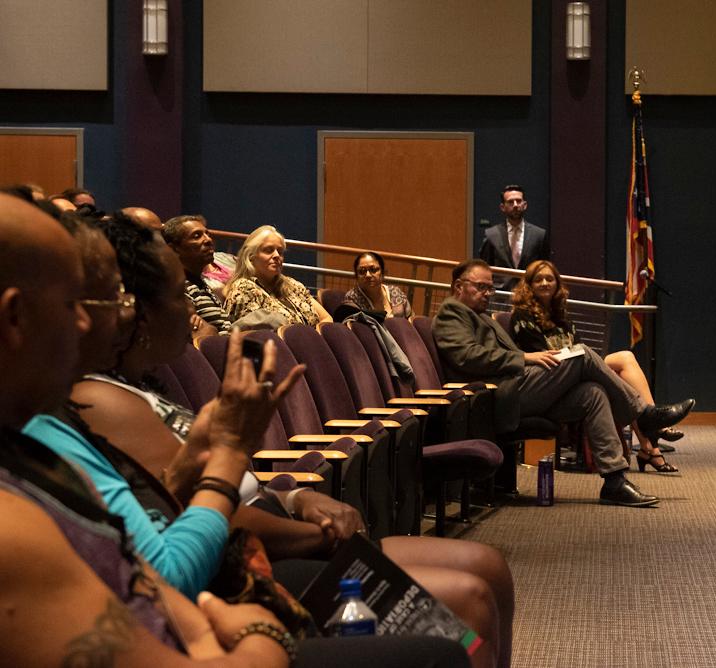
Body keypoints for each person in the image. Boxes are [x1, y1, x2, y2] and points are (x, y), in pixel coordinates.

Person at [70, 218, 512, 667]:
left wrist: (296, 495)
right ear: (137, 312)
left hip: (272, 521)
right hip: (248, 566)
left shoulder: (142, 385)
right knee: (470, 600)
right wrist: (312, 535)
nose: (192, 310)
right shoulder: (105, 401)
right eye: (177, 295)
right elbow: (193, 517)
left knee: (488, 568)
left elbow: (215, 486)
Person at [0, 193, 296, 667]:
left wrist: (190, 462)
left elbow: (141, 570)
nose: (90, 321)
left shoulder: (31, 445)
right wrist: (265, 635)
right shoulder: (15, 505)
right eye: (76, 301)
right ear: (14, 318)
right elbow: (169, 577)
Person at [434, 259, 695, 507]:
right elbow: (466, 357)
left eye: (491, 287)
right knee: (582, 354)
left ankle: (614, 481)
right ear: (459, 286)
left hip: (520, 387)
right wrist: (524, 356)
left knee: (592, 394)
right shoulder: (451, 314)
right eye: (481, 287)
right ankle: (644, 415)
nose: (488, 293)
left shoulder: (479, 315)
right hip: (499, 397)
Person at [510, 260, 688, 473]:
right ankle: (649, 420)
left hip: (570, 369)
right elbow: (547, 356)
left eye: (550, 278)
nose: (545, 283)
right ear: (528, 286)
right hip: (546, 377)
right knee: (615, 360)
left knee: (624, 358)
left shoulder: (560, 313)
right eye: (538, 280)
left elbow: (574, 344)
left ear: (558, 283)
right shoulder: (522, 316)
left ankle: (649, 443)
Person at [225, 225, 333, 328]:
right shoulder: (243, 289)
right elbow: (256, 336)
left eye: (280, 251)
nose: (277, 256)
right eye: (268, 250)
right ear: (251, 256)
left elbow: (327, 318)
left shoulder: (293, 285)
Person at [164, 214, 234, 336]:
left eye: (207, 234)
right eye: (197, 236)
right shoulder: (177, 287)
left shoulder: (202, 285)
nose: (208, 240)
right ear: (174, 249)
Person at [478, 185, 550, 290]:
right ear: (502, 207)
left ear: (525, 205)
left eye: (518, 201)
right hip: (500, 296)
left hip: (529, 294)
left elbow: (544, 268)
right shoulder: (491, 235)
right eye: (510, 202)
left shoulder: (539, 235)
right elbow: (484, 268)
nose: (515, 205)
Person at [342, 251, 413, 319]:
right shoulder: (352, 298)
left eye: (373, 269)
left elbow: (410, 317)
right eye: (362, 271)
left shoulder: (395, 292)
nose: (368, 275)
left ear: (383, 272)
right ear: (356, 276)